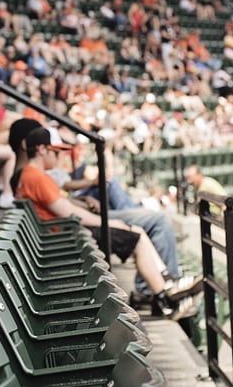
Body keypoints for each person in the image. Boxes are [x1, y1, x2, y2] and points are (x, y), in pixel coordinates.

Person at [15, 126, 202, 319]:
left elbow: (57, 204)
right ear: (41, 149)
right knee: (136, 237)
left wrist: (83, 200)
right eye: (54, 152)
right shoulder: (37, 177)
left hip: (61, 235)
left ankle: (168, 283)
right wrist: (109, 223)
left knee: (136, 229)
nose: (58, 157)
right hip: (67, 237)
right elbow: (69, 213)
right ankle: (165, 298)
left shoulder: (28, 175)